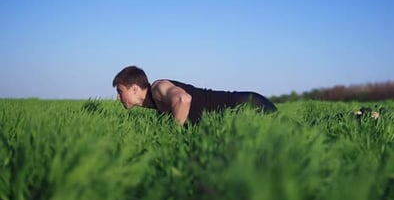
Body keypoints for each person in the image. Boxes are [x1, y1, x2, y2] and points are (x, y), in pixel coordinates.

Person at [112, 66, 277, 125]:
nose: (118, 98)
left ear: (134, 88)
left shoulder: (158, 87)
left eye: (120, 91)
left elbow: (183, 99)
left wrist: (172, 134)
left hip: (247, 106)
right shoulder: (157, 105)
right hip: (240, 112)